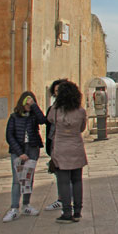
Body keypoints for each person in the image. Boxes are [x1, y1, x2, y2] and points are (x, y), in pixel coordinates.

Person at [3, 91, 46, 222]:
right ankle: (14, 208)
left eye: (31, 102)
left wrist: (34, 107)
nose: (28, 105)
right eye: (27, 103)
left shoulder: (33, 116)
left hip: (32, 148)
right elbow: (9, 135)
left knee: (29, 178)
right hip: (18, 150)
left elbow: (42, 120)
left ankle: (26, 205)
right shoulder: (14, 117)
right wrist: (19, 152)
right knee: (17, 180)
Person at [47, 80, 87, 223]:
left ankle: (66, 212)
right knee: (77, 180)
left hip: (61, 148)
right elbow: (82, 128)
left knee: (63, 182)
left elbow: (50, 119)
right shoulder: (81, 111)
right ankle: (77, 211)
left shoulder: (56, 110)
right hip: (76, 147)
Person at [43, 78, 66, 212]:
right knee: (59, 175)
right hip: (54, 145)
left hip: (65, 146)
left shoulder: (70, 109)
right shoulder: (53, 108)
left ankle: (66, 201)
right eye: (56, 91)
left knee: (67, 175)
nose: (58, 93)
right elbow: (48, 124)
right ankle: (61, 199)